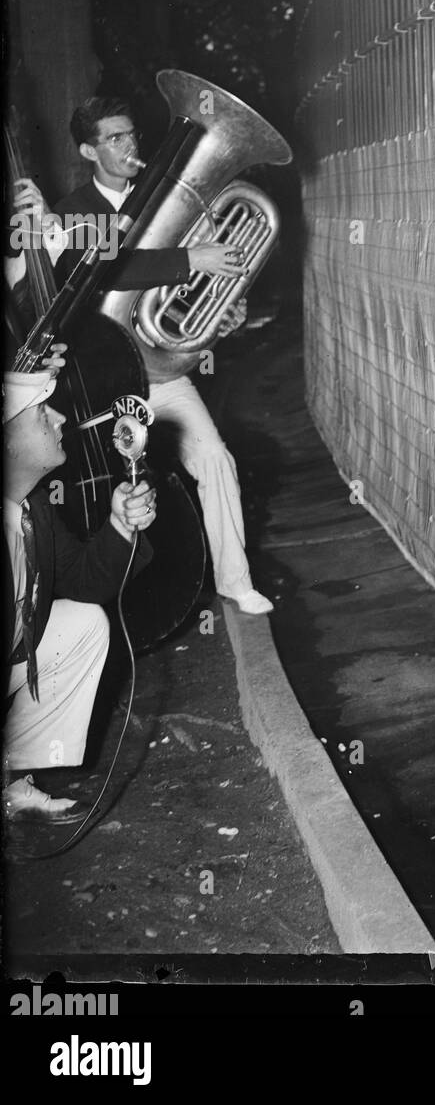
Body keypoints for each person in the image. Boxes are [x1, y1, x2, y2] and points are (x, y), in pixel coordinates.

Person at [51, 95, 273, 615]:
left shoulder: (165, 200)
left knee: (215, 458)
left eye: (131, 134)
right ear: (88, 150)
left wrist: (219, 316)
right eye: (114, 138)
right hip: (102, 385)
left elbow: (187, 293)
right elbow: (98, 270)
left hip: (159, 372)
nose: (130, 146)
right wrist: (190, 257)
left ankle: (235, 582)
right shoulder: (71, 214)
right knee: (121, 491)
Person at [3, 367, 156, 823]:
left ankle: (10, 779)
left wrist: (120, 524)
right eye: (42, 413)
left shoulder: (33, 505)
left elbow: (85, 581)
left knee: (83, 624)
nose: (61, 418)